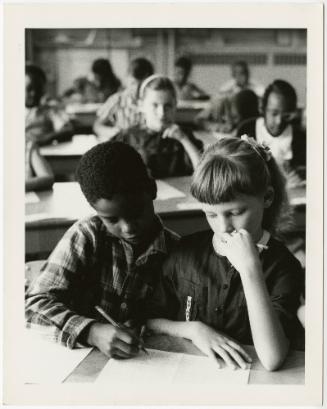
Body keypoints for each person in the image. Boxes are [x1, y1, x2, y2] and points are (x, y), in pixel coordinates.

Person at [147, 136, 304, 371]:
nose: (224, 227)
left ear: (267, 198)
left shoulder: (283, 265)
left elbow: (272, 359)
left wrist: (251, 271)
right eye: (211, 215)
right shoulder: (184, 252)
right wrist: (193, 329)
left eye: (236, 212)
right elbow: (147, 318)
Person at [25, 141, 179, 358]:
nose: (128, 228)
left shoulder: (177, 251)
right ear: (95, 210)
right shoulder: (87, 235)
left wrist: (143, 325)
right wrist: (92, 332)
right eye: (112, 219)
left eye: (135, 212)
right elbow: (32, 307)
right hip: (78, 359)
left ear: (152, 190)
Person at [112, 75, 203, 179]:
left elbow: (204, 175)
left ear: (175, 106)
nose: (162, 113)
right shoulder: (127, 137)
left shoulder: (184, 135)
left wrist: (184, 140)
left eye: (168, 106)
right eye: (155, 105)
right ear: (141, 106)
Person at [236, 80, 306, 183]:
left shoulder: (299, 138)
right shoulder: (246, 130)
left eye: (286, 116)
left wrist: (301, 176)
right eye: (274, 114)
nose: (279, 122)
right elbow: (235, 168)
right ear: (262, 109)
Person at [94, 57, 154, 140]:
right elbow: (97, 126)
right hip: (123, 146)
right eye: (133, 83)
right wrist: (112, 132)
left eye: (142, 85)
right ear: (127, 79)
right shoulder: (117, 99)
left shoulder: (155, 102)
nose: (137, 89)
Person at [25, 64, 74, 145]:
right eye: (29, 89)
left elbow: (68, 130)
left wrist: (45, 138)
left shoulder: (49, 110)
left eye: (38, 88)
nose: (34, 93)